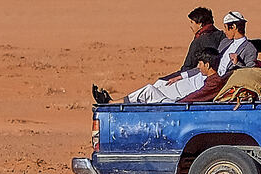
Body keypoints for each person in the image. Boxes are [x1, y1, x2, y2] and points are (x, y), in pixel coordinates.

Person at [96, 7, 224, 105]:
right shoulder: (221, 36)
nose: (191, 26)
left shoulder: (199, 41)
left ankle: (114, 103)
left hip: (193, 82)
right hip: (199, 77)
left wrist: (179, 77)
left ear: (200, 24)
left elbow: (187, 67)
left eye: (192, 22)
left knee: (156, 86)